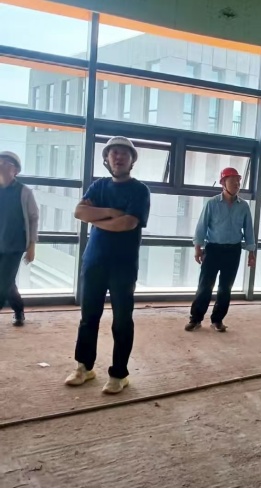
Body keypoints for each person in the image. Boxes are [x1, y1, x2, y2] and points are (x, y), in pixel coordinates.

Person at [65, 136, 150, 395]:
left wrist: (96, 217)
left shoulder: (140, 190)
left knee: (122, 320)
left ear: (132, 160)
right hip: (94, 262)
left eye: (124, 153)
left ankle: (119, 374)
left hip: (123, 265)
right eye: (113, 153)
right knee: (88, 317)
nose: (118, 157)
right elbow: (79, 212)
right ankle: (84, 367)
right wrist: (112, 212)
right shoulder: (98, 186)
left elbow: (128, 223)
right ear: (107, 158)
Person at [185, 167, 256, 333]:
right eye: (233, 181)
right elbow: (201, 227)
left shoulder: (244, 206)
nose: (237, 184)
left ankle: (217, 320)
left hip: (233, 251)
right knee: (205, 285)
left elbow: (249, 231)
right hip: (213, 249)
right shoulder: (212, 203)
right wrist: (197, 248)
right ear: (223, 183)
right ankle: (195, 319)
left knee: (225, 287)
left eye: (238, 181)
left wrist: (251, 253)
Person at [0, 151, 38, 328]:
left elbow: (33, 218)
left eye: (6, 163)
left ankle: (17, 310)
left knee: (2, 285)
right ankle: (18, 309)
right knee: (7, 283)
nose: (1, 165)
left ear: (15, 170)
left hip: (14, 246)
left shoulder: (24, 192)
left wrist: (32, 246)